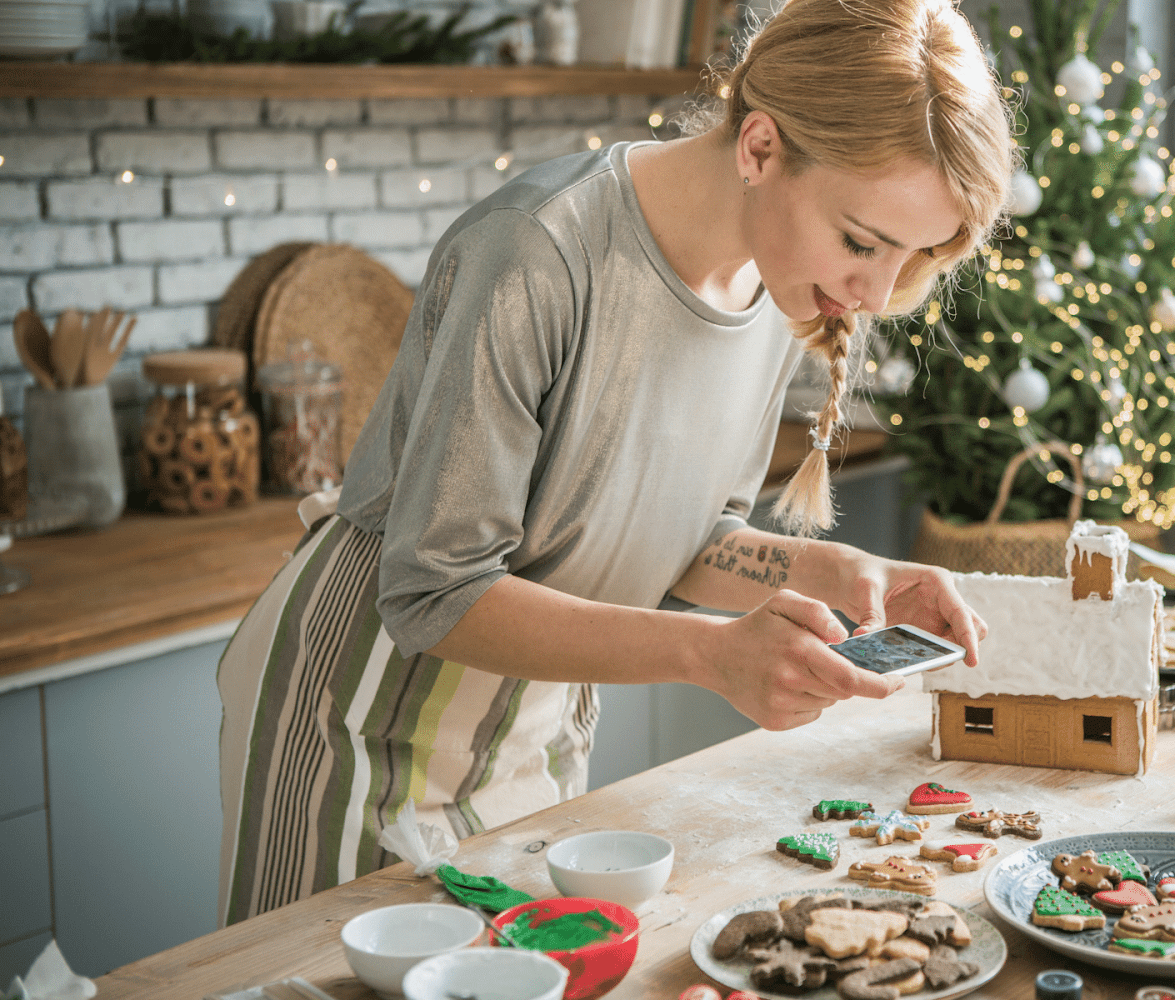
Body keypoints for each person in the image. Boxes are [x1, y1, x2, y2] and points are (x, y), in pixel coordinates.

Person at [215, 0, 1014, 924]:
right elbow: (435, 591)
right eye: (863, 241)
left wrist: (830, 570)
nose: (877, 292)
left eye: (912, 256)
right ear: (759, 148)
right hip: (361, 716)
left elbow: (684, 534)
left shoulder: (781, 283)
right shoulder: (536, 251)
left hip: (538, 722)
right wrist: (712, 655)